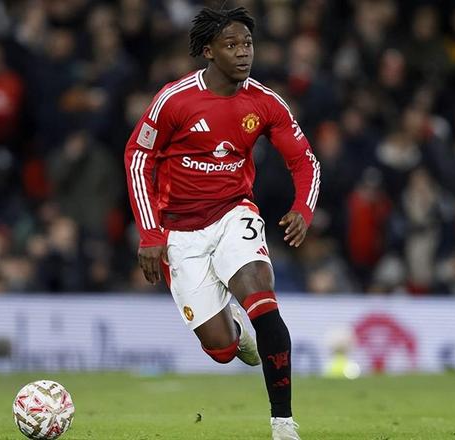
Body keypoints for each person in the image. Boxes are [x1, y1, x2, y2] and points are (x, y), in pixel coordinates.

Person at [124, 7, 320, 440]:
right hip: (179, 231)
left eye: (247, 43)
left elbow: (305, 161)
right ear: (209, 51)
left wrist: (303, 209)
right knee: (221, 349)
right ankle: (231, 328)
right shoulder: (175, 100)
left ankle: (283, 423)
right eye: (231, 45)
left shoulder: (265, 102)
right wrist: (151, 233)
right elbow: (138, 157)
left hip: (234, 213)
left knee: (263, 299)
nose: (243, 52)